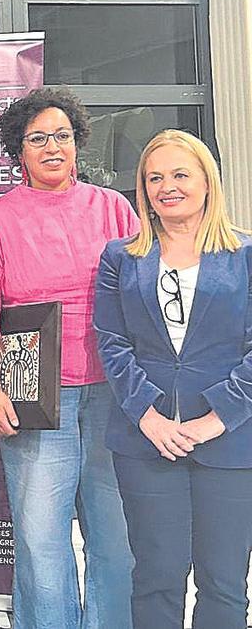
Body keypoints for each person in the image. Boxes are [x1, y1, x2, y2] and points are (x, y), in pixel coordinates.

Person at [0, 87, 138, 629]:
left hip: (115, 396)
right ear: (19, 150)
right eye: (38, 138)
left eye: (62, 136)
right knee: (42, 543)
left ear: (77, 142)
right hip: (35, 402)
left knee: (116, 538)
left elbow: (144, 294)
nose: (52, 147)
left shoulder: (114, 210)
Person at [95, 129, 252, 629]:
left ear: (208, 181)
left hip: (231, 444)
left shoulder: (246, 255)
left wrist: (215, 419)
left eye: (181, 174)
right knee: (157, 578)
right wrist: (149, 417)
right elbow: (112, 343)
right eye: (154, 177)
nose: (168, 186)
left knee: (225, 584)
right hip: (147, 444)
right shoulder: (120, 257)